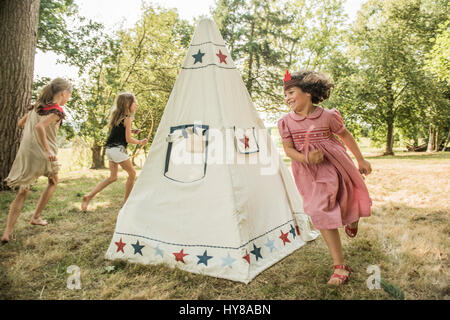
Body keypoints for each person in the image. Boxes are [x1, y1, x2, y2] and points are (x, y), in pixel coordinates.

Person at [278, 70, 372, 286]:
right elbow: (289, 151)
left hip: (337, 166)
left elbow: (345, 135)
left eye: (291, 92)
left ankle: (353, 217)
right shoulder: (285, 122)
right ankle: (340, 266)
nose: (287, 98)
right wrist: (306, 157)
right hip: (309, 172)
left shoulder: (328, 116)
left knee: (346, 199)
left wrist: (361, 160)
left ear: (308, 93)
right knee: (319, 210)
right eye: (285, 95)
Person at [2, 78, 72, 243]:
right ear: (63, 93)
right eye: (69, 95)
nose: (68, 98)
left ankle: (7, 232)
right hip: (45, 153)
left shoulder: (37, 107)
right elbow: (39, 127)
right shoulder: (56, 111)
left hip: (26, 153)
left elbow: (21, 123)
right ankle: (36, 216)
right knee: (53, 181)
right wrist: (47, 150)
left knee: (23, 191)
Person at [81, 92, 147, 212]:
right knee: (132, 174)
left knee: (113, 177)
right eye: (134, 102)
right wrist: (140, 141)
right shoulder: (128, 119)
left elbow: (119, 132)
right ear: (128, 104)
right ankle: (126, 204)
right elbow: (128, 140)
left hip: (110, 150)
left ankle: (88, 197)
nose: (136, 105)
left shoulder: (117, 117)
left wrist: (131, 130)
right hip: (118, 150)